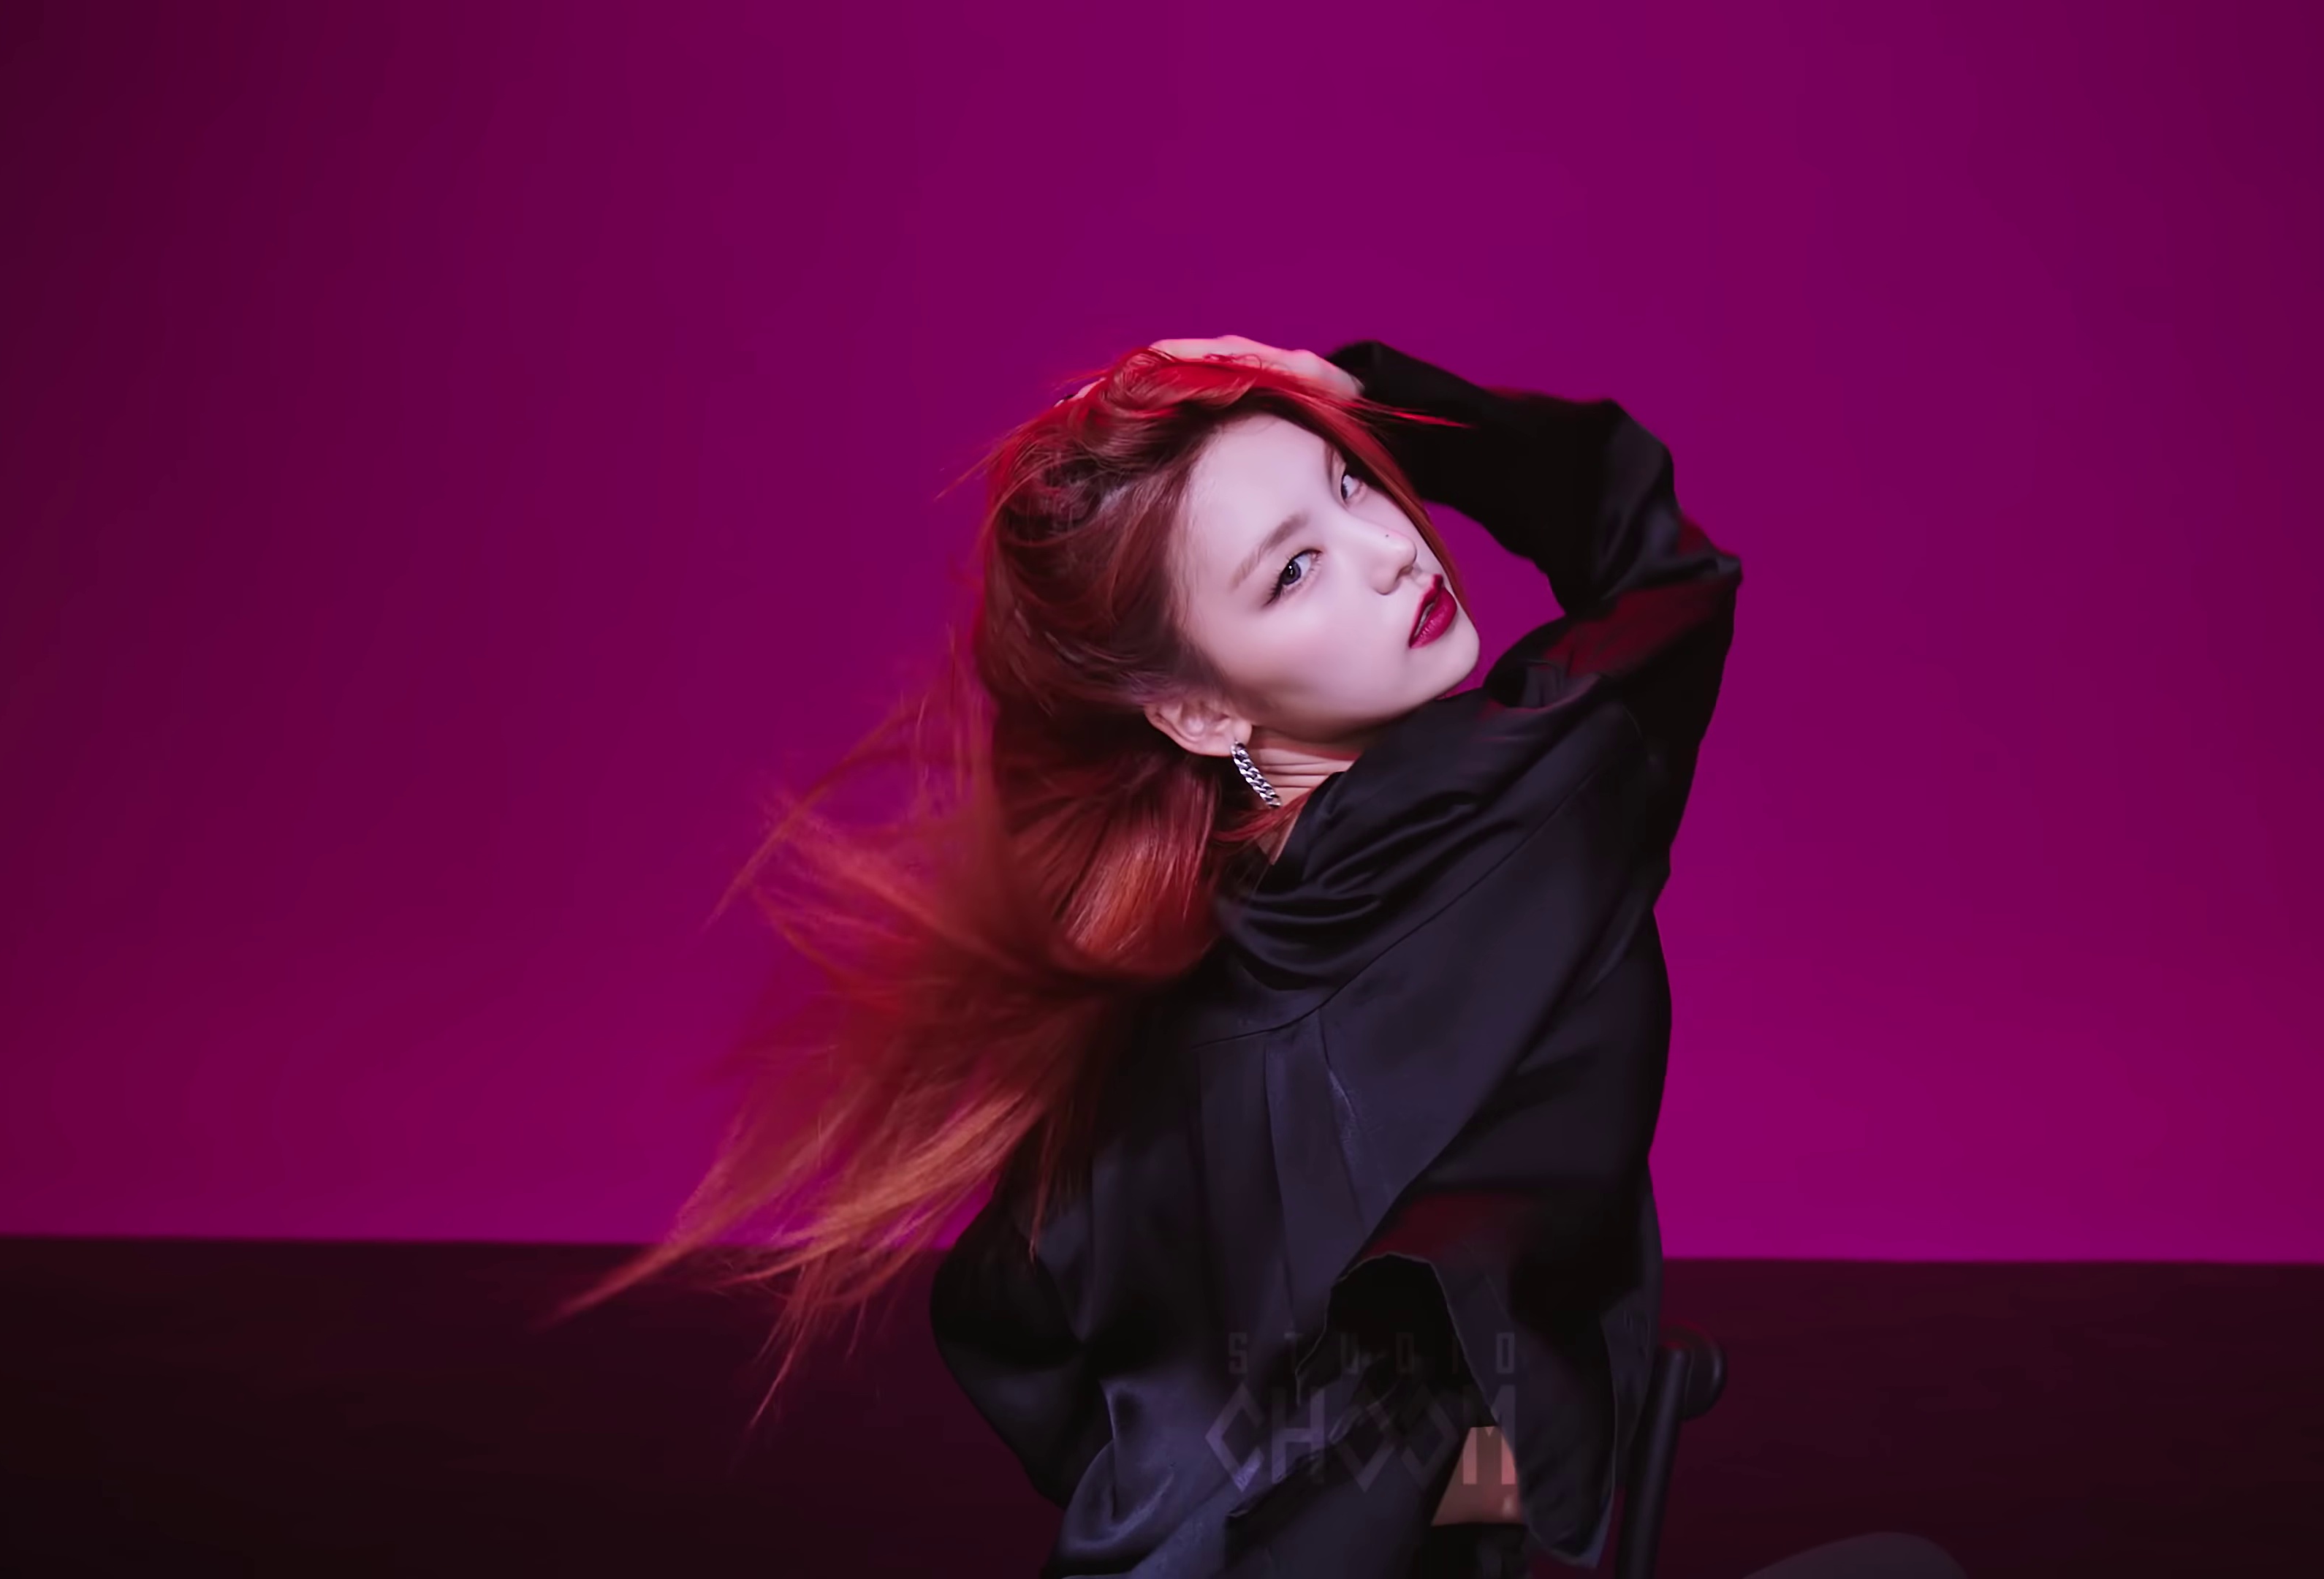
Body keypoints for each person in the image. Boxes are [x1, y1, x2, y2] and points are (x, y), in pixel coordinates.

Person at [547, 333, 1746, 1576]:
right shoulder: (1547, 784)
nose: (1392, 550)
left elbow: (1018, 1323)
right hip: (1435, 1524)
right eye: (1294, 571)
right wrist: (1388, 406)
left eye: (1353, 481)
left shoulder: (1159, 962)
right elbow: (1667, 567)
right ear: (1200, 711)